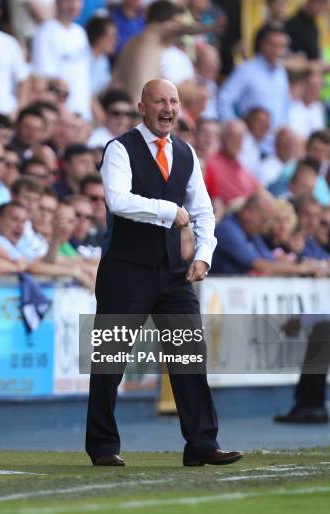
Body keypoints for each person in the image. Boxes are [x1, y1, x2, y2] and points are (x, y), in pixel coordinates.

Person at [87, 78, 243, 468]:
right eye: (159, 101)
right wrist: (168, 212)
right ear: (142, 107)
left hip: (174, 272)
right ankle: (103, 445)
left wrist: (204, 255)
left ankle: (202, 443)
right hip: (126, 270)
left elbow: (203, 211)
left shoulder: (186, 153)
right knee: (110, 361)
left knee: (191, 355)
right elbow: (118, 200)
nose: (167, 108)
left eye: (173, 101)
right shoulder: (119, 149)